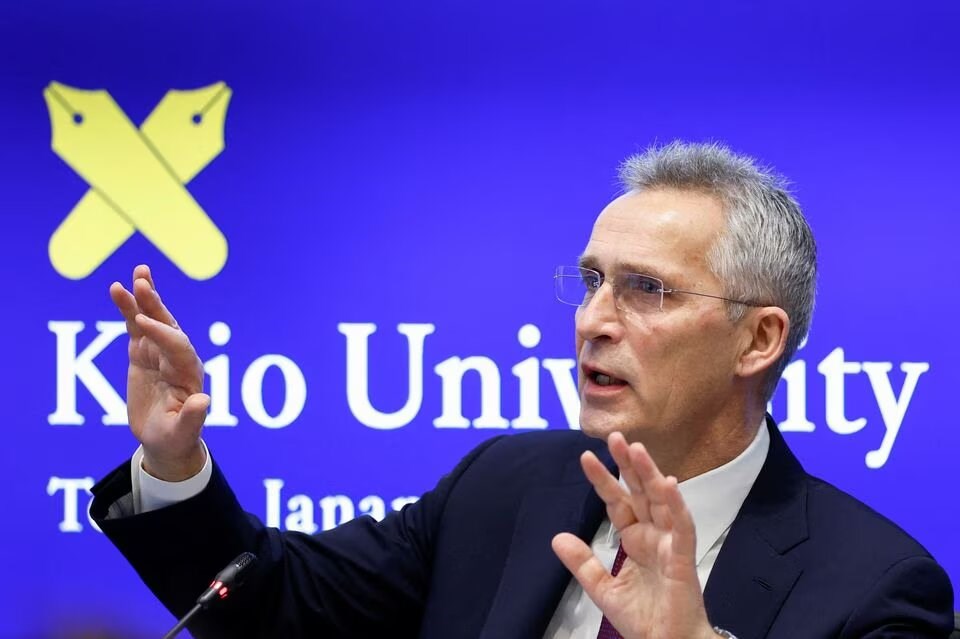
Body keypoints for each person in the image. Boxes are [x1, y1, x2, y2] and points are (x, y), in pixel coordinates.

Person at [90, 142, 954, 638]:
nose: (593, 320)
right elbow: (272, 603)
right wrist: (174, 463)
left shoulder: (879, 589)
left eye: (645, 289)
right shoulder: (508, 488)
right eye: (590, 281)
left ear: (758, 339)